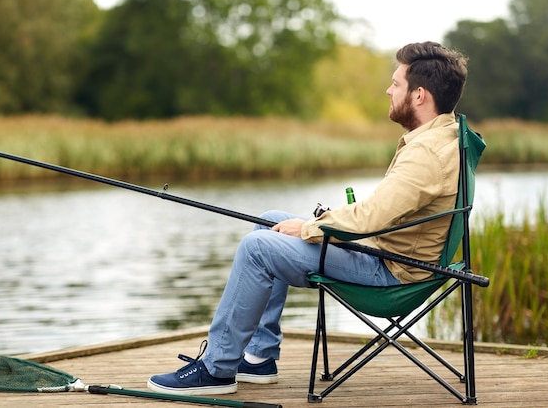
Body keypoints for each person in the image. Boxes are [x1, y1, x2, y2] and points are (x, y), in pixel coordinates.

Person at [147, 41, 469, 396]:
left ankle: (216, 369)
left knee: (257, 247)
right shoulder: (446, 136)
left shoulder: (426, 154)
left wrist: (309, 228)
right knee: (269, 220)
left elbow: (374, 216)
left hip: (390, 273)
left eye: (396, 83)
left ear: (420, 95)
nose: (388, 90)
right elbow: (382, 211)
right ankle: (259, 357)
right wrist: (319, 224)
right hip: (388, 255)